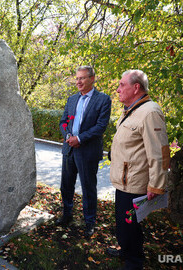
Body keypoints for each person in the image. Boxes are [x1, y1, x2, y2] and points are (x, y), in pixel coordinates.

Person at [107, 70, 169, 269]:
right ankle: (125, 251)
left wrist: (156, 185)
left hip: (135, 185)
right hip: (124, 182)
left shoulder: (150, 112)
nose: (117, 89)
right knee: (123, 224)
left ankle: (134, 262)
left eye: (121, 85)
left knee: (130, 228)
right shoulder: (132, 109)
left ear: (136, 87)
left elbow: (159, 153)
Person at [57, 66, 111, 237]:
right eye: (77, 78)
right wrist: (68, 136)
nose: (78, 82)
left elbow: (100, 127)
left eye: (82, 78)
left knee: (88, 188)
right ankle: (67, 215)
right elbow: (63, 121)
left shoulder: (103, 100)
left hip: (87, 152)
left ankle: (89, 222)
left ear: (92, 78)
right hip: (69, 150)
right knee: (66, 186)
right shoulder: (72, 99)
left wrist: (79, 139)